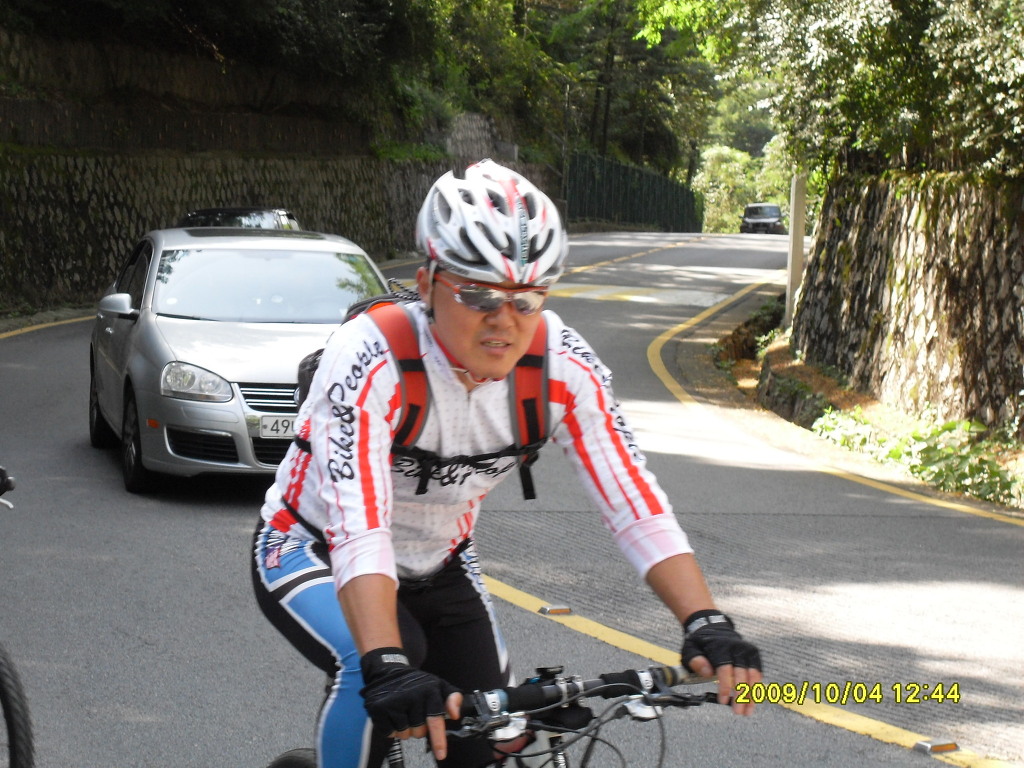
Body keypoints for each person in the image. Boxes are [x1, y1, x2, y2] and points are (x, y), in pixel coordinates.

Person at [251, 159, 762, 768]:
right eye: (478, 294)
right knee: (377, 669)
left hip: (441, 564)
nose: (503, 320)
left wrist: (705, 619)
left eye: (528, 299)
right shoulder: (371, 354)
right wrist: (387, 662)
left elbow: (634, 502)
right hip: (312, 549)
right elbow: (358, 527)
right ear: (426, 283)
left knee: (497, 736)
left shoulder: (562, 365)